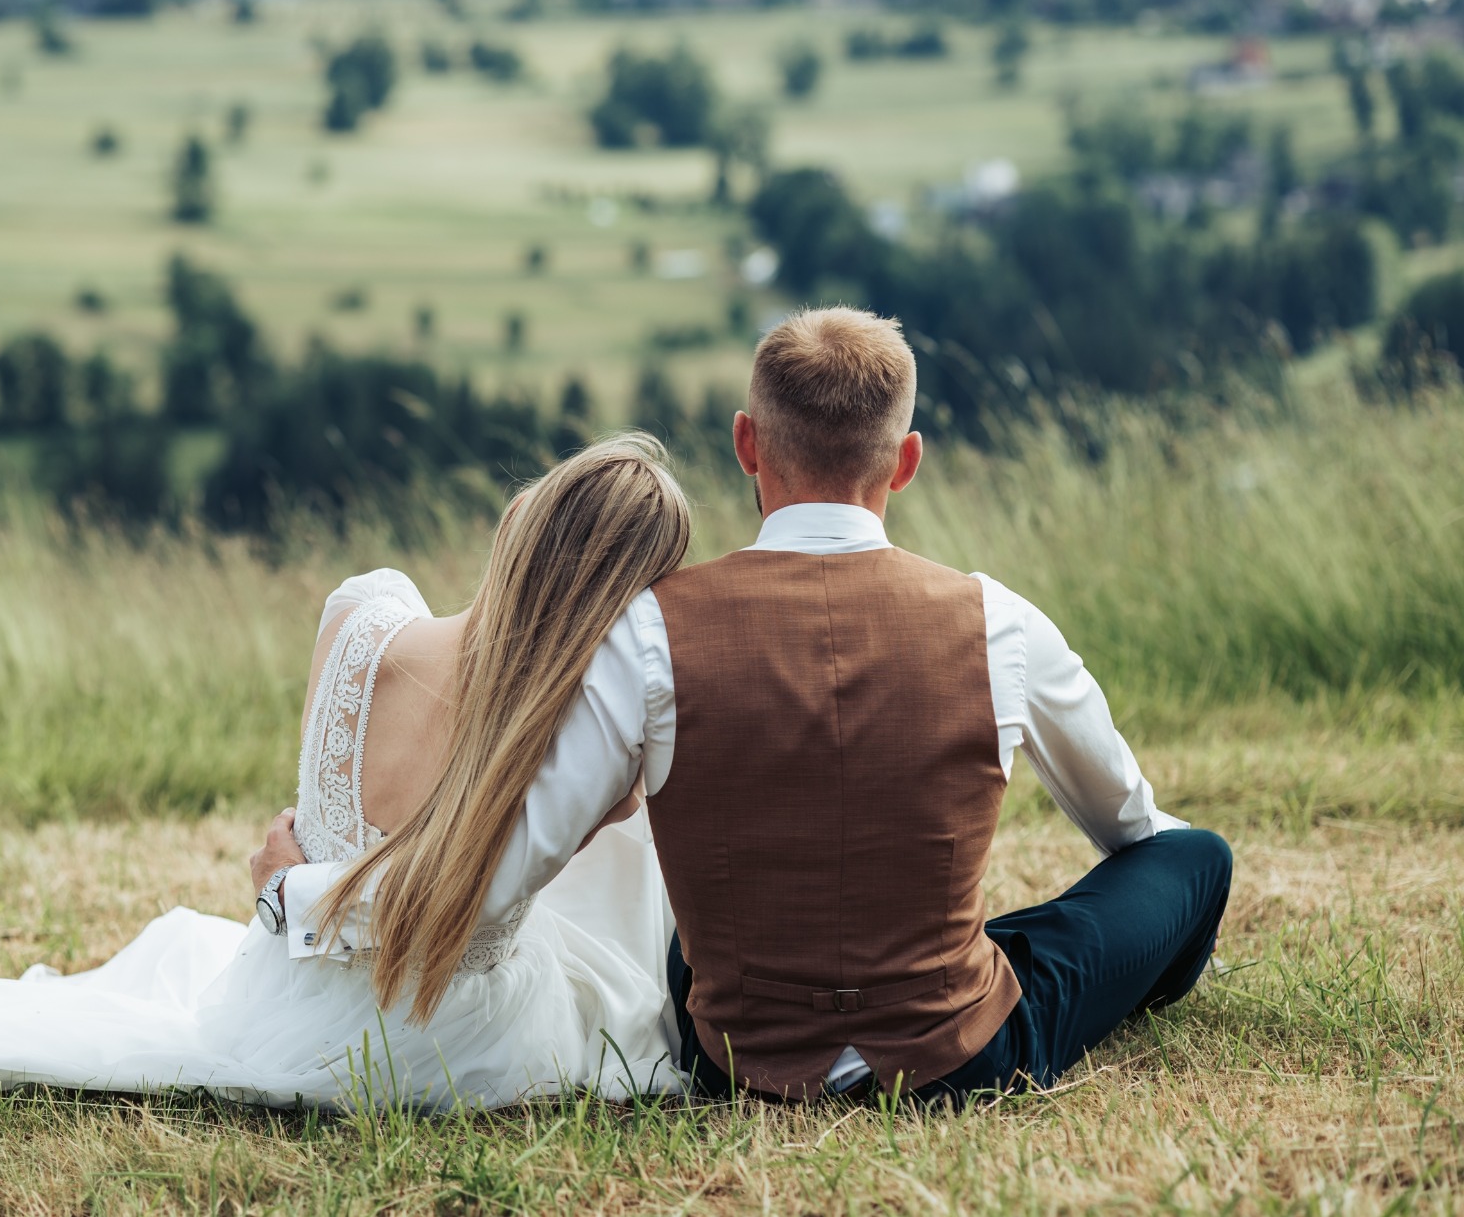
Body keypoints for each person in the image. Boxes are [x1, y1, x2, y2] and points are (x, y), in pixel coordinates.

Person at [259, 307, 1232, 1103]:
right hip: (953, 1054)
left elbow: (491, 873)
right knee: (1192, 857)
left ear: (745, 443)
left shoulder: (647, 633)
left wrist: (294, 891)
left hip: (733, 1059)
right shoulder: (999, 623)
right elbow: (1128, 825)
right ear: (904, 461)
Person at [0, 435, 693, 1110]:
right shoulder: (576, 741)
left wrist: (286, 890)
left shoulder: (364, 612)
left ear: (522, 521)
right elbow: (454, 892)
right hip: (457, 1041)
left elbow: (341, 813)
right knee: (632, 854)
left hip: (284, 991)